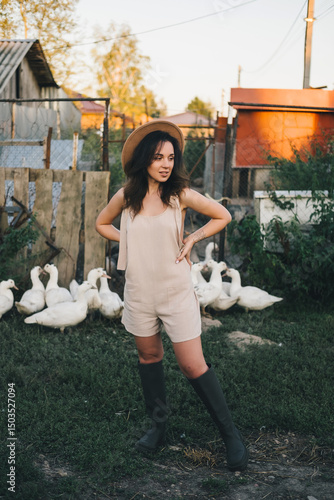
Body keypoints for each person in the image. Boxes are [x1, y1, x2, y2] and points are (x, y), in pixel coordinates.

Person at [95, 120, 248, 471]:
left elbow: (222, 215)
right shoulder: (127, 195)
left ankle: (231, 436)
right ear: (144, 160)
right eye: (158, 157)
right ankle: (158, 426)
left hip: (175, 291)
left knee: (192, 364)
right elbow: (101, 224)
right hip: (139, 292)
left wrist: (193, 237)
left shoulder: (179, 194)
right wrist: (128, 239)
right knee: (149, 358)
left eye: (170, 157)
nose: (165, 164)